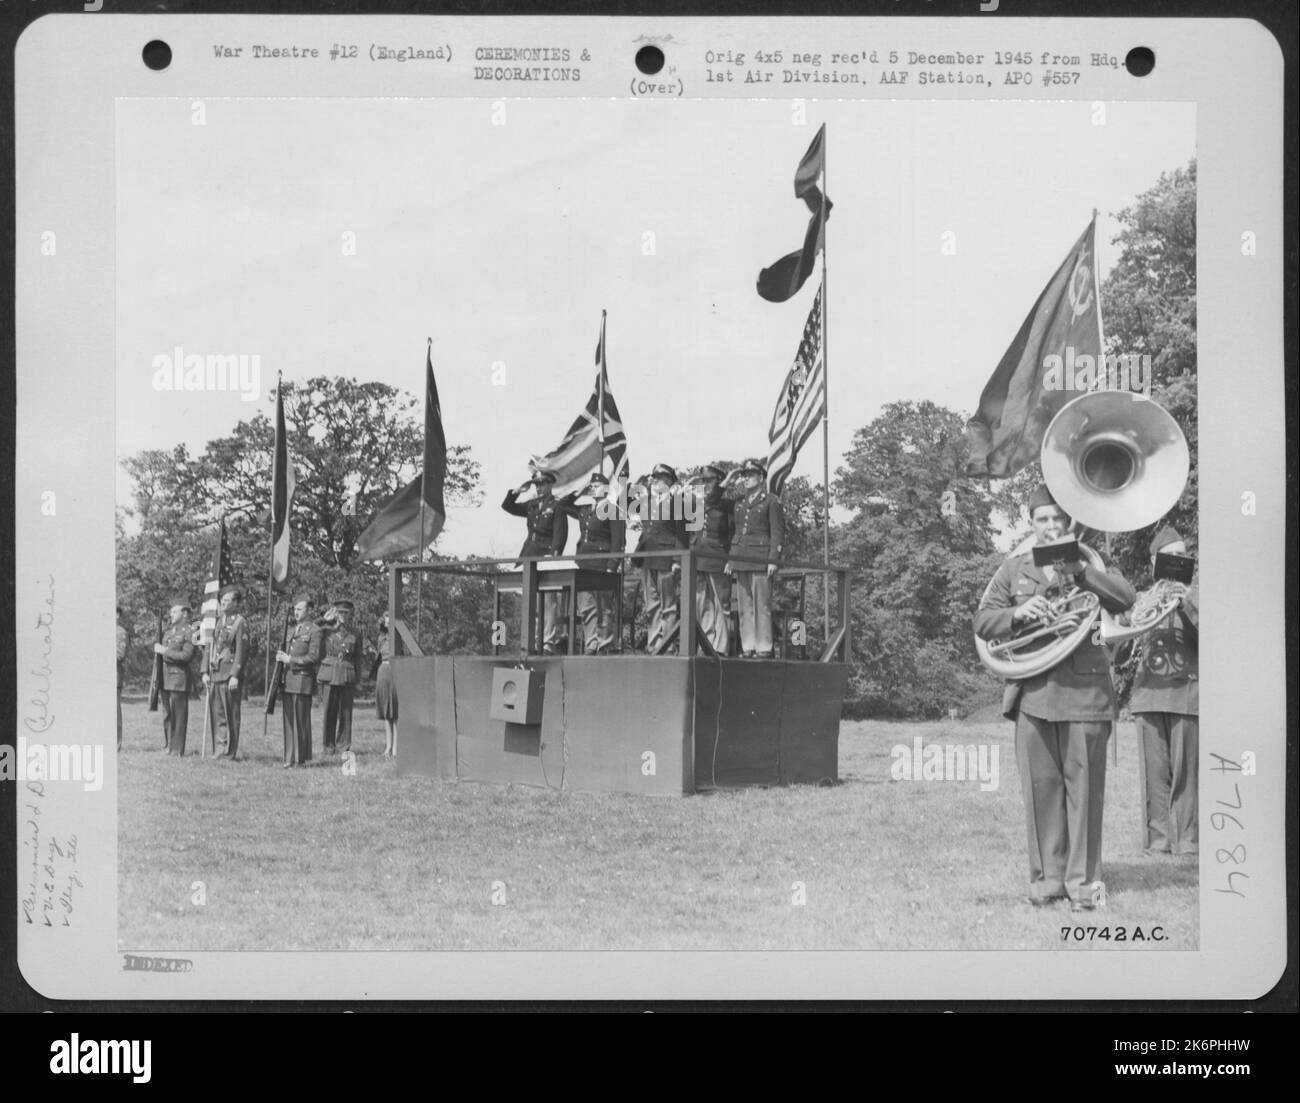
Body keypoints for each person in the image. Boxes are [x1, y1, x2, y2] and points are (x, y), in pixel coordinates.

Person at [974, 484, 1135, 912]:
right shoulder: (1013, 569)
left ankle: (1084, 887)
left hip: (1085, 695)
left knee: (1084, 796)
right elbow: (983, 620)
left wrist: (1080, 572)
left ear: (1069, 523)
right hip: (1033, 696)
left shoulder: (1091, 561)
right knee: (1041, 791)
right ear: (1032, 523)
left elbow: (1125, 598)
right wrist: (1017, 615)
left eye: (1057, 520)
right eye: (1042, 519)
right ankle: (1047, 883)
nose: (1050, 527)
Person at [1129, 525, 1199, 857]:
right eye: (1170, 558)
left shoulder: (1197, 597)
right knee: (1153, 775)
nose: (1178, 562)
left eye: (1182, 557)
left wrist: (1187, 604)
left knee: (1186, 774)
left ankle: (1187, 842)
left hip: (1186, 694)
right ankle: (1157, 842)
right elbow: (1112, 641)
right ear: (1156, 562)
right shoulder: (1141, 599)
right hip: (1147, 694)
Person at [502, 470, 569, 654]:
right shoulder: (532, 505)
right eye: (537, 484)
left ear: (550, 485)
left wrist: (554, 558)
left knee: (548, 602)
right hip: (528, 556)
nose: (539, 487)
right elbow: (507, 506)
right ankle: (529, 642)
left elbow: (559, 535)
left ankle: (547, 642)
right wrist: (518, 491)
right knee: (529, 603)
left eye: (543, 484)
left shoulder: (556, 506)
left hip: (545, 557)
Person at [560, 472, 625, 655]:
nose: (592, 488)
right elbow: (563, 505)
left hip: (602, 564)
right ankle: (591, 643)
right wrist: (579, 491)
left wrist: (612, 566)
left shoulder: (613, 510)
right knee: (587, 607)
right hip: (583, 564)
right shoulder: (585, 510)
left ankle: (605, 644)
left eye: (596, 486)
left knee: (604, 608)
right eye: (591, 486)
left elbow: (618, 542)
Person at [726, 459, 784, 659]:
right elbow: (736, 533)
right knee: (745, 608)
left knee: (762, 606)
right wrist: (731, 559)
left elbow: (777, 533)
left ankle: (764, 647)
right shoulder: (739, 503)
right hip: (741, 558)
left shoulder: (771, 501)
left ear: (761, 478)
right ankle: (748, 646)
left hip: (760, 559)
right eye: (744, 475)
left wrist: (773, 560)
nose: (746, 479)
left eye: (750, 475)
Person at [633, 463, 688, 655]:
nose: (653, 480)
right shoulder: (646, 500)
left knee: (668, 606)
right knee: (652, 605)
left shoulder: (677, 502)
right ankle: (654, 643)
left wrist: (676, 560)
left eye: (658, 477)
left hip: (666, 559)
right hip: (647, 557)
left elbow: (682, 534)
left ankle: (667, 644)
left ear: (668, 481)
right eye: (653, 477)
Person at [688, 465, 734, 655]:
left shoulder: (727, 506)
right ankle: (707, 643)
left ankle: (721, 646)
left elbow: (733, 534)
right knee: (702, 602)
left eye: (709, 481)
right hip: (699, 557)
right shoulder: (697, 504)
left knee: (721, 603)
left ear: (720, 481)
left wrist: (731, 559)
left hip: (718, 557)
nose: (705, 485)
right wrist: (687, 486)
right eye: (703, 481)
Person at [277, 593, 324, 767]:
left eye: (300, 609)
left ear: (309, 610)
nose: (296, 612)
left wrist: (291, 660)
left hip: (303, 680)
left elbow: (314, 657)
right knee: (288, 721)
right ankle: (289, 757)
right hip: (288, 679)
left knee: (301, 720)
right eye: (294, 609)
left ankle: (300, 758)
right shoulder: (290, 631)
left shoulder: (315, 631)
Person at [203, 584, 248, 760]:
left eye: (228, 600)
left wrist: (235, 675)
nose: (223, 603)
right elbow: (209, 647)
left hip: (229, 674)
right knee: (217, 713)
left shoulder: (240, 622)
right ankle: (219, 749)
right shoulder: (217, 621)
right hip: (215, 672)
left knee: (231, 715)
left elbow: (241, 651)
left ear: (236, 603)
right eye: (222, 600)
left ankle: (231, 751)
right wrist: (204, 671)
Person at [319, 599, 362, 755]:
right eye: (340, 612)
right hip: (329, 674)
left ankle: (343, 745)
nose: (343, 615)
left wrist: (357, 680)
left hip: (347, 674)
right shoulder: (326, 629)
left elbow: (358, 658)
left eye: (346, 612)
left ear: (351, 614)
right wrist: (323, 619)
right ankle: (328, 746)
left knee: (345, 713)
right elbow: (312, 629)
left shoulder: (356, 633)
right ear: (335, 613)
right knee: (329, 712)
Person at [154, 599, 196, 756]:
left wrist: (165, 652)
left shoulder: (191, 632)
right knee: (167, 714)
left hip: (178, 678)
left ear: (184, 613)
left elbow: (186, 656)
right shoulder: (168, 632)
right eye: (170, 612)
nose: (171, 614)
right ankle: (168, 745)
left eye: (174, 612)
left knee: (178, 716)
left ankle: (177, 749)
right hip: (164, 678)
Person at [374, 611, 398, 757]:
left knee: (395, 711)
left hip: (396, 670)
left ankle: (396, 748)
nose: (388, 622)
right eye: (386, 619)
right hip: (383, 671)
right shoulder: (381, 638)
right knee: (386, 710)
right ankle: (388, 747)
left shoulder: (399, 638)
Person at [116, 607, 128, 752]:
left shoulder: (120, 632)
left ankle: (116, 743)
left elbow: (120, 655)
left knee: (114, 712)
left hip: (114, 675)